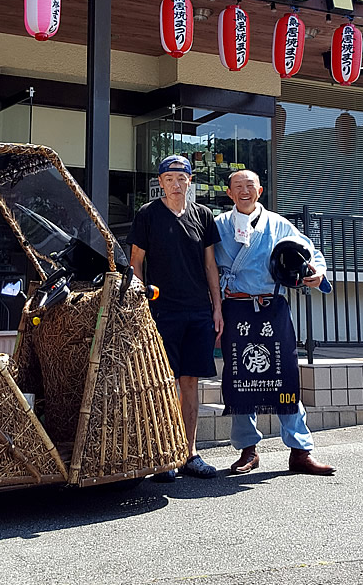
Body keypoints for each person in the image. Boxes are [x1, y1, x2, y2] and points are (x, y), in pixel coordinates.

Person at [214, 169, 335, 476]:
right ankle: (248, 450)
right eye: (237, 186)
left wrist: (316, 273)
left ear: (260, 190)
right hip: (235, 307)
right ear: (228, 193)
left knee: (286, 376)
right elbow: (204, 266)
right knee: (240, 378)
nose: (244, 191)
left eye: (249, 186)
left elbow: (310, 253)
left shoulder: (279, 224)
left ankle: (300, 450)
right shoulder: (217, 227)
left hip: (272, 307)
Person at [127, 154, 223, 480]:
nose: (176, 184)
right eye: (170, 178)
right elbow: (135, 263)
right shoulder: (148, 215)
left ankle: (188, 452)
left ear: (190, 181)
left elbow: (211, 266)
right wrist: (139, 300)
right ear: (161, 183)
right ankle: (162, 454)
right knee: (162, 383)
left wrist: (217, 308)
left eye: (182, 178)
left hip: (198, 310)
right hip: (161, 310)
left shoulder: (203, 216)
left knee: (190, 382)